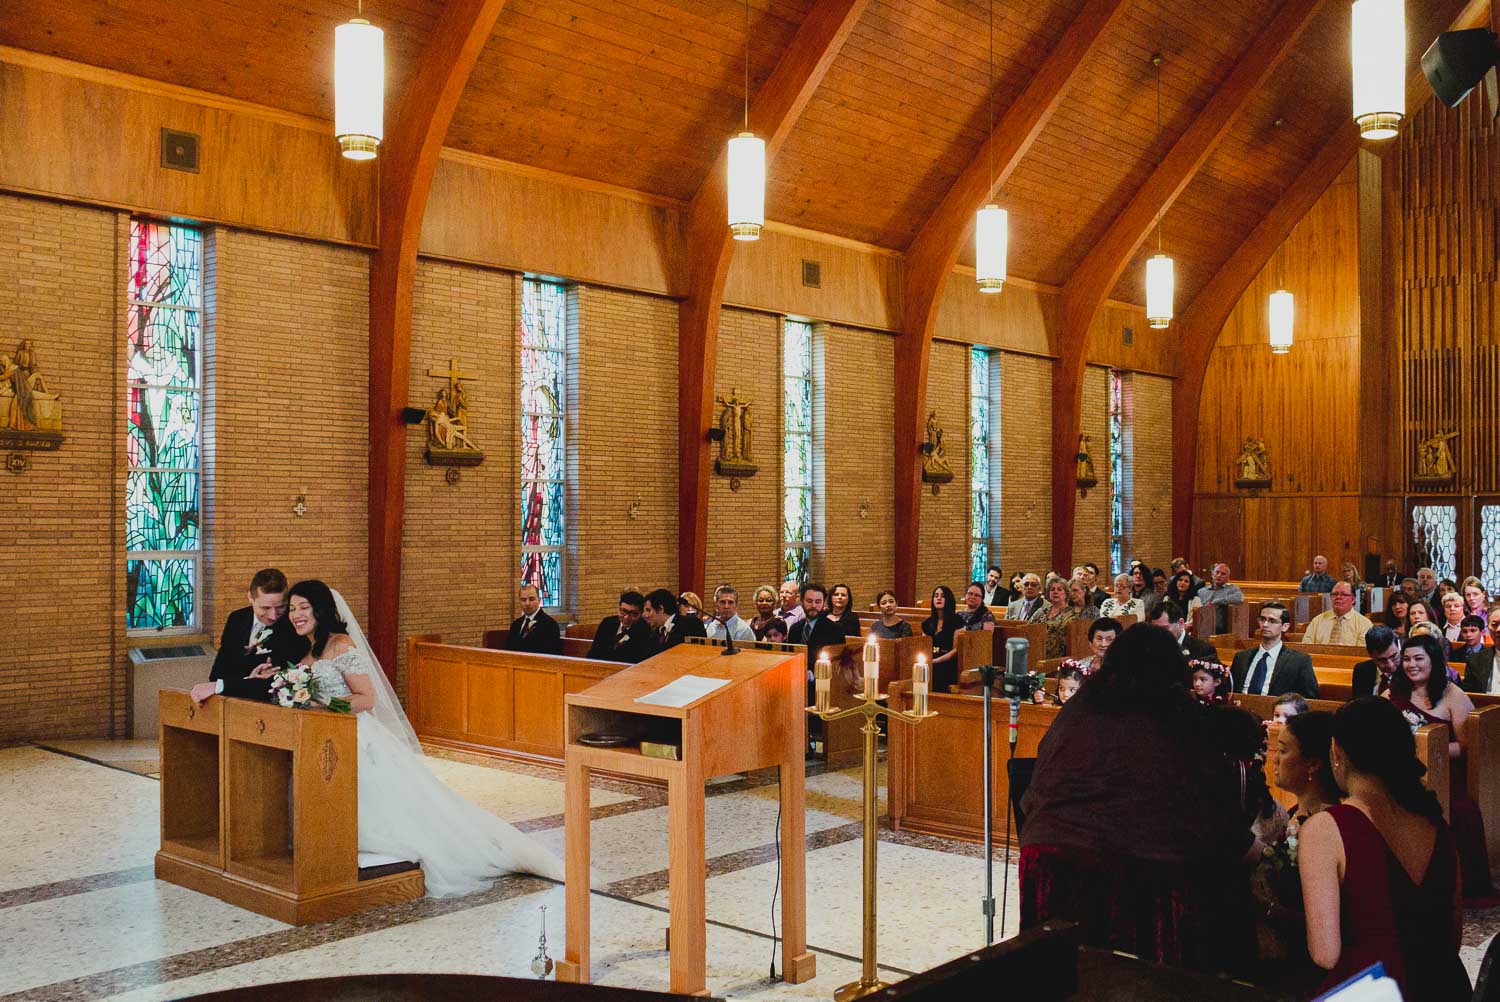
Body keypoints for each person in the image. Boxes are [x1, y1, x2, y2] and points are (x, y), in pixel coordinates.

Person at [244, 580, 565, 896]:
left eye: (304, 608)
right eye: (294, 609)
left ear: (321, 610)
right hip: (325, 741)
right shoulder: (309, 651)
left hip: (356, 738)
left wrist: (324, 701)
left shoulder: (341, 645)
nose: (296, 614)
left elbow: (365, 699)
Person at [1020, 624, 1253, 971]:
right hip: (1136, 866)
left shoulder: (1081, 706)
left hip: (1049, 854)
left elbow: (1038, 784)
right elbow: (1204, 800)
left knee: (1059, 977)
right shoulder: (1174, 711)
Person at [1299, 697, 1470, 999]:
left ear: (1337, 752)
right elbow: (1452, 938)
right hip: (1444, 988)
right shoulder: (1436, 824)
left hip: (1373, 991)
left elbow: (1325, 954)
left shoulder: (1326, 828)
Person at [1387, 632, 1495, 903]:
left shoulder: (1452, 694)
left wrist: (1428, 750)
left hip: (1443, 772)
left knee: (1462, 813)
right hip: (1399, 772)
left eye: (1419, 659)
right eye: (1407, 659)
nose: (1412, 665)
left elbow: (1465, 745)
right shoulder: (1393, 691)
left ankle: (1454, 883)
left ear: (1433, 660)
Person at [191, 568, 301, 705]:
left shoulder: (292, 627)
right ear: (250, 597)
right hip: (233, 701)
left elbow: (282, 680)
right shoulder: (237, 619)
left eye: (280, 607)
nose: (273, 616)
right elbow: (218, 673)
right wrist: (248, 678)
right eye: (265, 608)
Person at [1231, 603, 1319, 698]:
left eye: (1272, 621)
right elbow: (1230, 690)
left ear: (1285, 626)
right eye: (1262, 619)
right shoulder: (1241, 657)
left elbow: (1310, 698)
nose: (1265, 625)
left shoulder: (1299, 661)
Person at [586, 589, 651, 663]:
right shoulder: (607, 623)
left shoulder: (644, 630)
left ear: (641, 613)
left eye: (633, 614)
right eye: (623, 611)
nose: (626, 617)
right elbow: (594, 651)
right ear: (619, 608)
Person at [1301, 582, 1373, 645]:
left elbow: (1361, 653)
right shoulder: (1317, 621)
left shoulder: (1364, 624)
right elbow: (1307, 646)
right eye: (1335, 594)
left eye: (1344, 594)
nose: (1338, 597)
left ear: (1353, 599)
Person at [1148, 599, 1219, 662]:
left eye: (1164, 628)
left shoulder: (1204, 650)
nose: (1158, 634)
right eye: (1155, 629)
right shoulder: (1148, 648)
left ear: (1181, 623)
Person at [1028, 578, 1078, 659]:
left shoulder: (1071, 615)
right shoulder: (1042, 610)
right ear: (1048, 593)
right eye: (1052, 589)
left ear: (1066, 594)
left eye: (1059, 589)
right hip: (1035, 651)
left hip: (1056, 657)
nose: (1055, 592)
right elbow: (1028, 627)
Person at [505, 584, 562, 654]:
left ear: (539, 600)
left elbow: (551, 653)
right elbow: (509, 650)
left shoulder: (550, 624)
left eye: (531, 599)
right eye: (523, 600)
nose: (527, 603)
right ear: (519, 601)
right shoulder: (515, 625)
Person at [922, 586, 959, 691]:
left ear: (949, 599)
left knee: (938, 672)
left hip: (947, 663)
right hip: (929, 661)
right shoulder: (927, 623)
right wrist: (928, 660)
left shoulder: (957, 621)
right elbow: (924, 645)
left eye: (942, 596)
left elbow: (955, 650)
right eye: (936, 596)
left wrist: (935, 661)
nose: (938, 598)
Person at [1352, 625, 1402, 698]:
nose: (1390, 665)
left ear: (1399, 647)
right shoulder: (1362, 670)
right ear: (1370, 654)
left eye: (1394, 656)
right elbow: (1357, 704)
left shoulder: (1409, 670)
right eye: (1382, 660)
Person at [1197, 563, 1246, 634]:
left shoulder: (1231, 589)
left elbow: (1239, 598)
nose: (1219, 575)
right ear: (1212, 574)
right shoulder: (1202, 591)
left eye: (1223, 574)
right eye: (1217, 572)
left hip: (1220, 627)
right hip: (1202, 624)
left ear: (1228, 578)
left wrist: (1217, 602)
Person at [1460, 621, 1499, 694]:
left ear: (1482, 632)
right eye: (1494, 625)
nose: (1468, 635)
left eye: (1473, 631)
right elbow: (1468, 691)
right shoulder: (1474, 659)